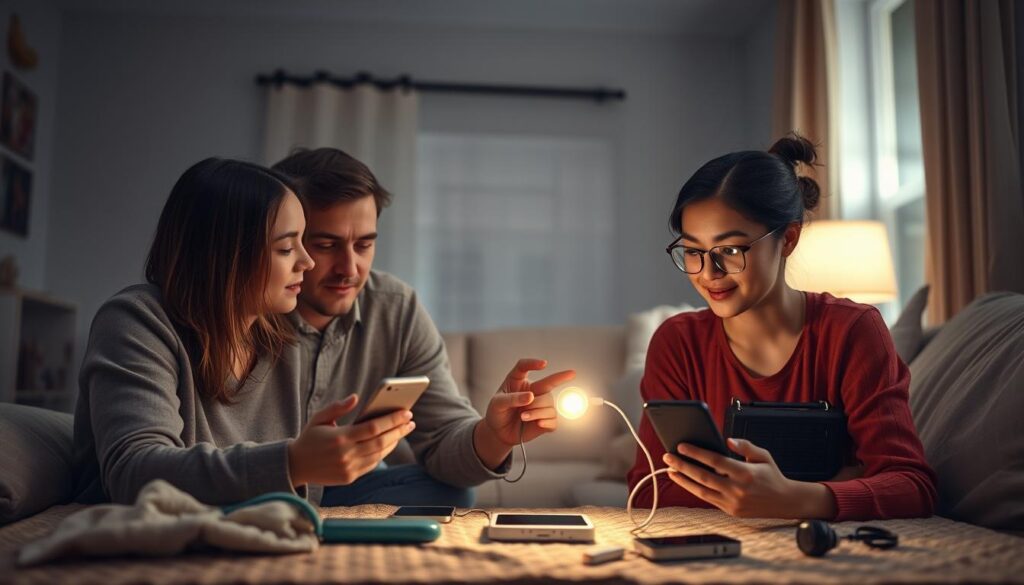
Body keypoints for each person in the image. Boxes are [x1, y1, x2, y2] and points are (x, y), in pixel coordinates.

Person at [626, 135, 937, 521]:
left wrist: (792, 498)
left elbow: (911, 487)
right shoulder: (677, 342)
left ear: (788, 239)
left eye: (731, 250)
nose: (709, 274)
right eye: (693, 252)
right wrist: (834, 481)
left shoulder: (853, 330)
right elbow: (649, 489)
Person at [272, 148, 575, 507]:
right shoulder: (245, 310)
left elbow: (444, 435)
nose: (349, 269)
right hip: (260, 487)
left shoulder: (394, 307)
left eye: (365, 245)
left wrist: (495, 436)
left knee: (453, 493)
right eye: (325, 245)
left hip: (347, 489)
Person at [74, 157, 365, 504]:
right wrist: (292, 461)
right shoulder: (135, 321)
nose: (308, 261)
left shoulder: (283, 345)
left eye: (303, 242)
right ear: (225, 255)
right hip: (138, 543)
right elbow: (135, 474)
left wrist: (311, 463)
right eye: (286, 248)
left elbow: (298, 501)